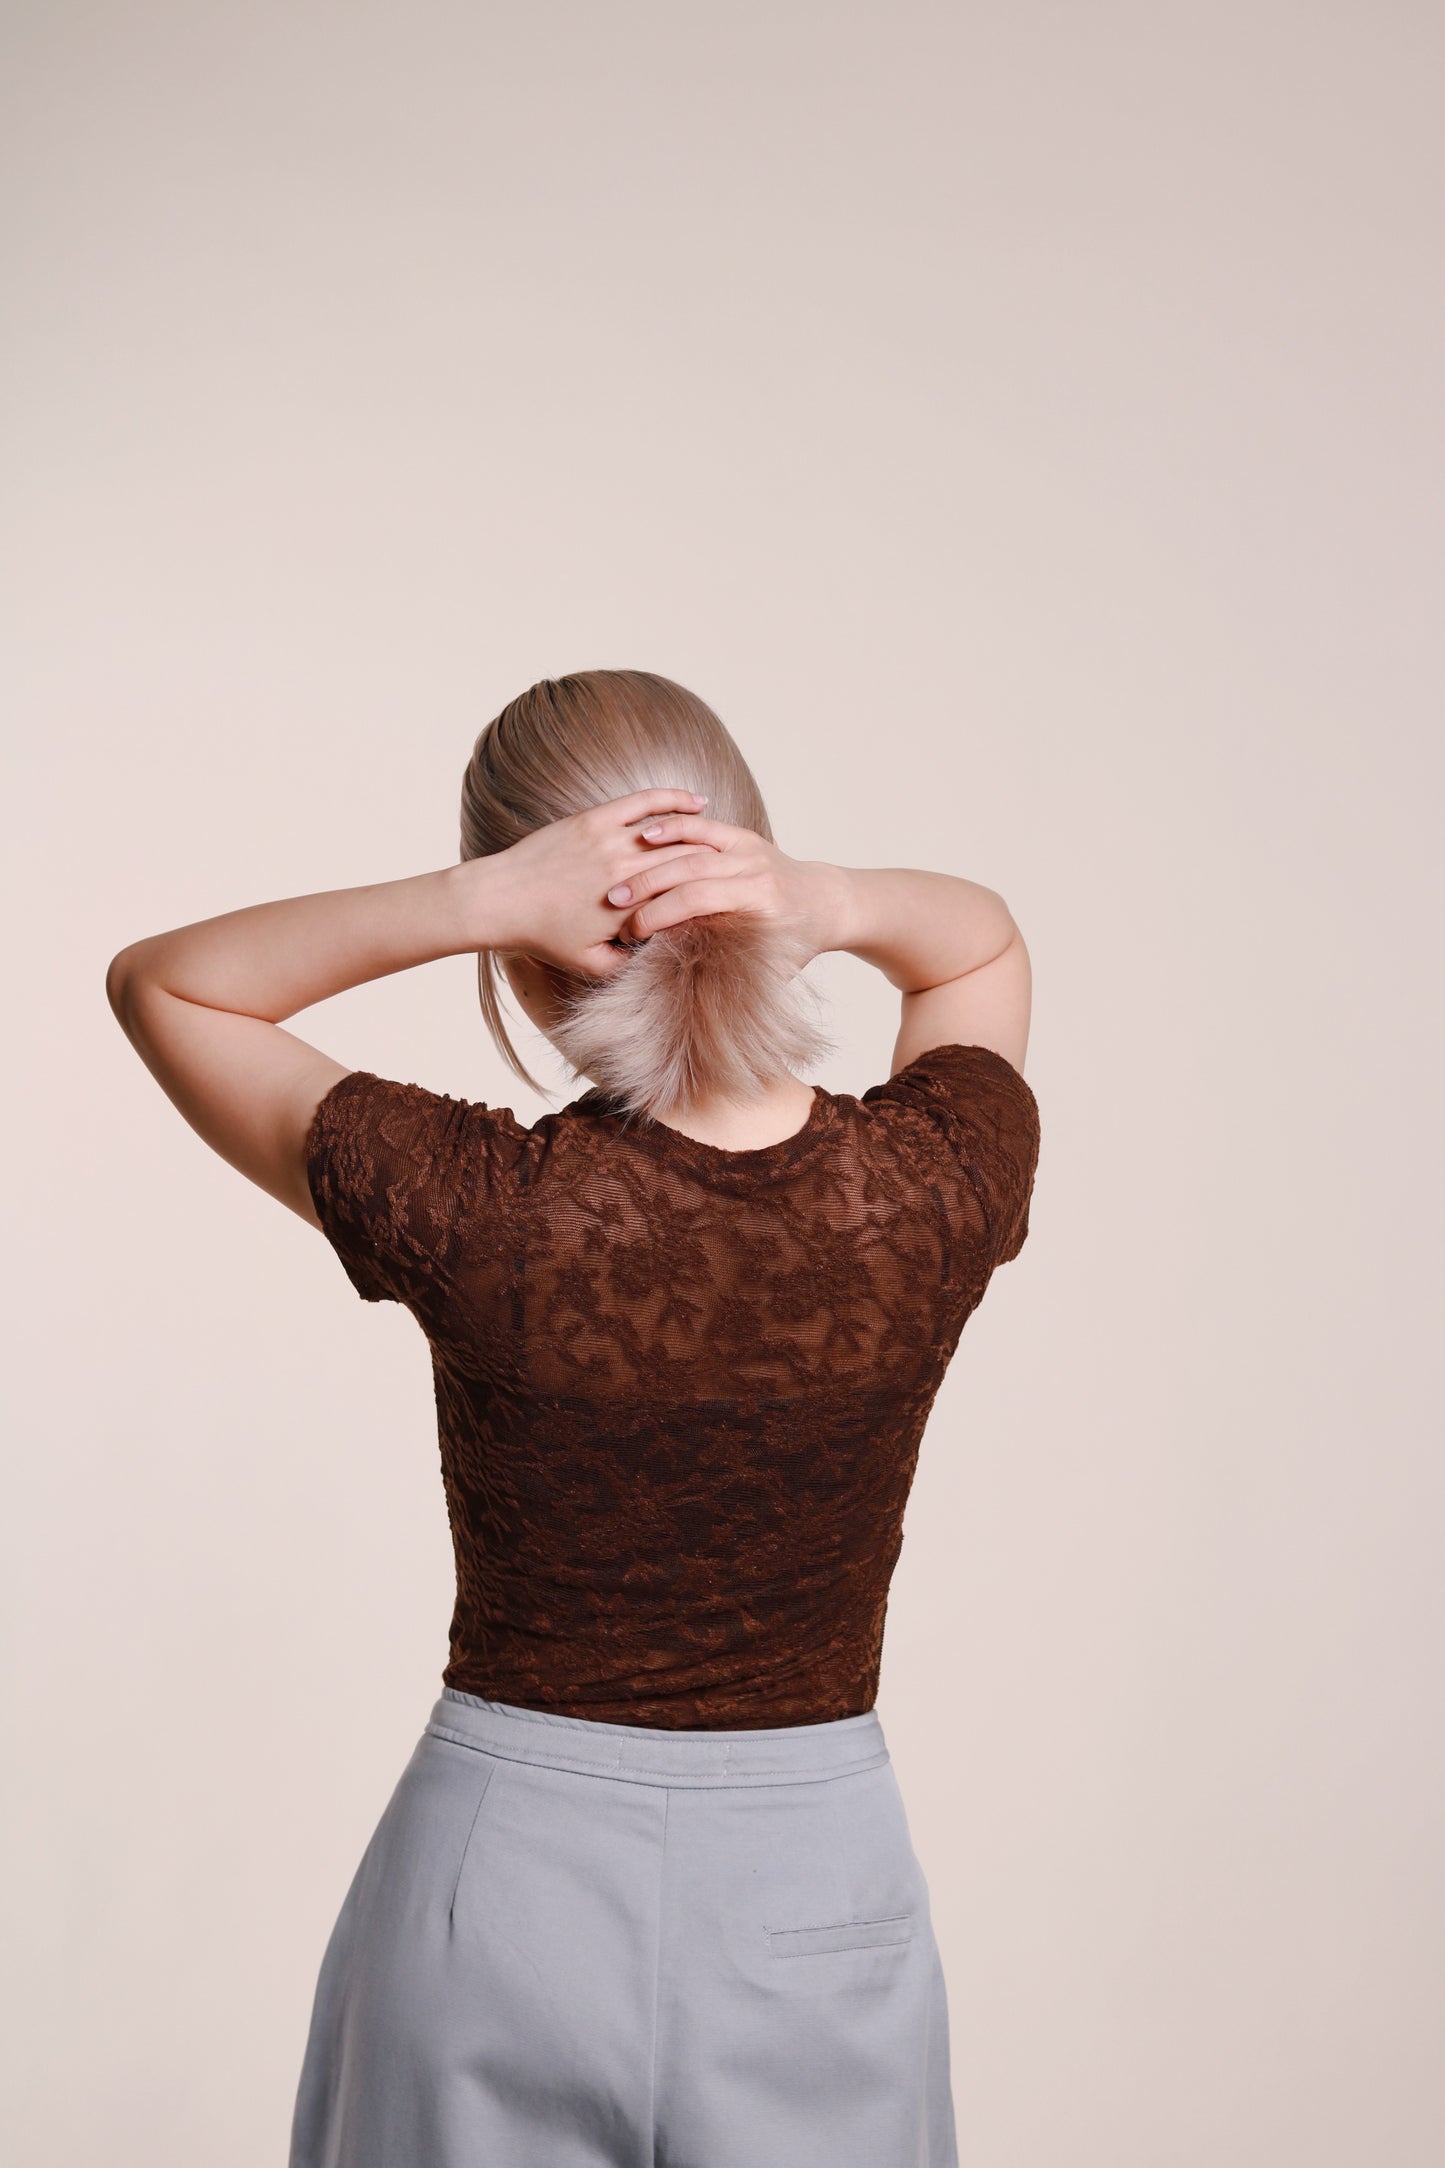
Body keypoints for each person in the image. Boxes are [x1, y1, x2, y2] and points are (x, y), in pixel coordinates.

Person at [105, 668, 1041, 2168]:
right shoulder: (930, 1189)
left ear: (532, 942)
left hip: (501, 1885)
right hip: (816, 1887)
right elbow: (978, 941)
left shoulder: (476, 1203)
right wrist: (828, 895)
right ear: (756, 877)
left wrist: (467, 900)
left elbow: (169, 983)